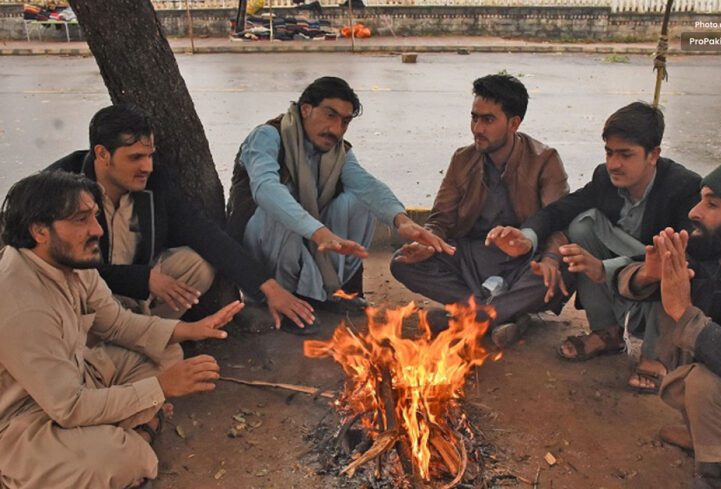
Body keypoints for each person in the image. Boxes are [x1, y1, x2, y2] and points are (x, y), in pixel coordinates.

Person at [0, 171, 244, 489]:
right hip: (21, 418)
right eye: (81, 219)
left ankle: (119, 428)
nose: (97, 230)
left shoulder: (70, 263)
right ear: (39, 231)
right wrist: (159, 389)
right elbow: (69, 406)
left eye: (96, 217)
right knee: (119, 460)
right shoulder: (22, 304)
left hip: (75, 380)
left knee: (168, 353)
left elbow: (117, 323)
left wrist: (190, 329)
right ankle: (135, 433)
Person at [47, 104, 314, 332]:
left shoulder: (155, 182)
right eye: (136, 157)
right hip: (80, 296)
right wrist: (143, 278)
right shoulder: (61, 189)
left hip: (132, 296)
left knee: (197, 263)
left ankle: (138, 336)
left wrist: (268, 287)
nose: (147, 167)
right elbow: (60, 269)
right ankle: (117, 343)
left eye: (150, 156)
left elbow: (206, 234)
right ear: (102, 154)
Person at [496, 102, 700, 391]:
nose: (614, 163)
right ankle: (608, 333)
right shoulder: (606, 178)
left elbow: (690, 263)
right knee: (582, 224)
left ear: (653, 155)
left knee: (669, 258)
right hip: (627, 275)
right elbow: (562, 210)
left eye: (625, 155)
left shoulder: (683, 188)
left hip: (660, 282)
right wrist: (526, 236)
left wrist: (606, 269)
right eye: (609, 152)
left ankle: (657, 355)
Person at [227, 76, 452, 327]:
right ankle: (274, 298)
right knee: (279, 204)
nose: (336, 129)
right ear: (306, 109)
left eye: (345, 121)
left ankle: (324, 296)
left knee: (357, 201)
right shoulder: (267, 136)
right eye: (330, 115)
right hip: (261, 246)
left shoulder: (338, 151)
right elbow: (265, 189)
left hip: (309, 243)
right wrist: (319, 232)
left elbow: (367, 185)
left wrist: (402, 222)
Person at [617, 154, 721, 489]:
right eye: (700, 200)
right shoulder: (717, 253)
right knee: (690, 360)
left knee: (702, 379)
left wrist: (685, 313)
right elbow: (630, 269)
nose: (694, 213)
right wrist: (647, 275)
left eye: (711, 205)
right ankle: (715, 447)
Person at [389, 73, 571, 347]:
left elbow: (559, 222)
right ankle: (500, 315)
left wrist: (550, 259)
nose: (477, 128)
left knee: (563, 267)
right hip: (473, 258)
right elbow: (440, 219)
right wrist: (427, 242)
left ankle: (469, 318)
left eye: (488, 120)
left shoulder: (544, 160)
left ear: (514, 123)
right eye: (474, 117)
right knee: (401, 261)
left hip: (524, 263)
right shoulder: (463, 159)